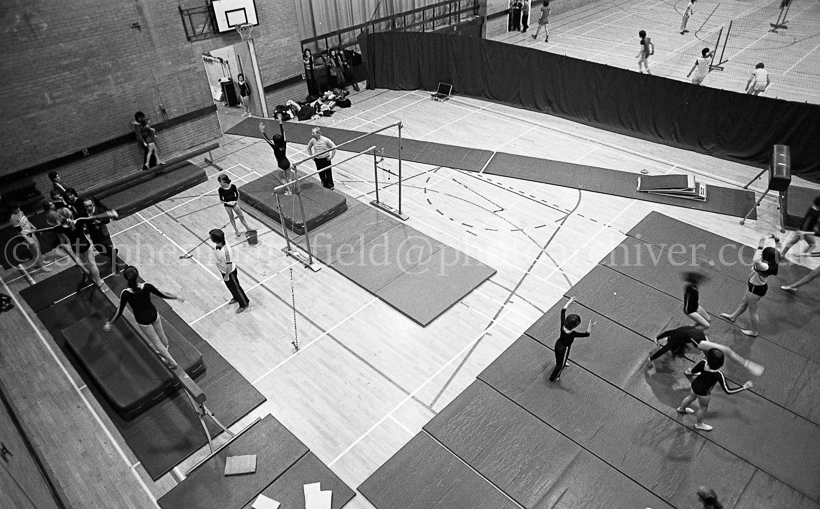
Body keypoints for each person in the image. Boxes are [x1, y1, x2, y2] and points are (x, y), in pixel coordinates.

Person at [104, 266, 182, 369]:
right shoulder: (147, 286)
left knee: (156, 342)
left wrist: (109, 322)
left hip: (142, 319)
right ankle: (166, 353)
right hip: (153, 314)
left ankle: (172, 361)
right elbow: (162, 294)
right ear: (138, 276)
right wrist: (176, 297)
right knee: (161, 335)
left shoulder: (125, 293)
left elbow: (120, 311)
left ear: (126, 279)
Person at [677, 349, 753, 431]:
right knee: (703, 408)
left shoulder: (703, 363)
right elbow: (728, 391)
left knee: (690, 398)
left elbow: (693, 371)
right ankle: (699, 424)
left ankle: (681, 409)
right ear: (721, 363)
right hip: (704, 393)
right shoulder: (718, 375)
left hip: (694, 385)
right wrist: (744, 387)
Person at [721, 235, 780, 337]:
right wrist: (776, 240)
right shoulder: (773, 262)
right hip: (756, 287)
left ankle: (754, 332)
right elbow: (776, 250)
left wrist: (761, 245)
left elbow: (755, 260)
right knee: (744, 302)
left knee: (753, 311)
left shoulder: (764, 266)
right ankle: (733, 316)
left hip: (755, 290)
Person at [647, 325, 763, 376]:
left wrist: (651, 357)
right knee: (723, 352)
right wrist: (658, 338)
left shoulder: (673, 340)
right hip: (700, 338)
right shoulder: (675, 332)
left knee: (720, 352)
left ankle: (747, 365)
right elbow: (666, 334)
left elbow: (664, 347)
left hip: (700, 339)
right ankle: (747, 365)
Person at [550, 297, 596, 382]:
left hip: (558, 344)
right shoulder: (573, 334)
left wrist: (569, 301)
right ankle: (553, 377)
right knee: (560, 365)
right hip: (564, 349)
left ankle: (562, 362)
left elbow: (563, 311)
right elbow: (587, 334)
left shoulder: (562, 324)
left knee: (560, 358)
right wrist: (590, 325)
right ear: (574, 326)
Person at [55, 207, 103, 287]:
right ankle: (98, 281)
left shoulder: (60, 227)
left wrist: (33, 231)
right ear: (70, 214)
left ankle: (89, 275)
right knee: (93, 264)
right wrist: (109, 214)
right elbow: (91, 218)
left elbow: (48, 229)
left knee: (85, 263)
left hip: (76, 247)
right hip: (85, 245)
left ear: (60, 218)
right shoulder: (79, 221)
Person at [210, 228, 250, 313]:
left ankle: (244, 303)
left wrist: (227, 275)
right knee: (230, 286)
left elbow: (229, 265)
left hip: (229, 272)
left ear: (215, 239)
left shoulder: (226, 252)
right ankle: (236, 297)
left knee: (236, 288)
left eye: (211, 237)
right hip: (223, 271)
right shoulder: (218, 245)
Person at [81, 198, 123, 269]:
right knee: (101, 251)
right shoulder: (83, 213)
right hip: (94, 236)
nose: (89, 208)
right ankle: (113, 254)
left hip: (104, 234)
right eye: (87, 206)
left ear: (93, 204)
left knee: (109, 250)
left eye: (90, 206)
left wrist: (100, 222)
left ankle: (116, 265)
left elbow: (107, 220)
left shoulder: (100, 210)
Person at [9, 203, 50, 272]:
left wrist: (34, 228)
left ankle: (42, 261)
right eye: (16, 209)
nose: (18, 209)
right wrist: (28, 240)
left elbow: (27, 221)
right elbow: (20, 231)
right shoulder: (13, 219)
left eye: (18, 207)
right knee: (35, 252)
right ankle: (42, 268)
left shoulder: (21, 212)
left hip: (30, 232)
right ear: (12, 210)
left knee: (38, 247)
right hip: (24, 237)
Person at [259, 121, 295, 194]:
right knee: (289, 178)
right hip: (287, 163)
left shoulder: (275, 147)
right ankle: (291, 189)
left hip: (281, 166)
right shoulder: (284, 143)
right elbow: (283, 132)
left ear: (274, 141)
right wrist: (280, 123)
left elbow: (266, 139)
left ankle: (289, 191)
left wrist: (261, 130)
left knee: (282, 179)